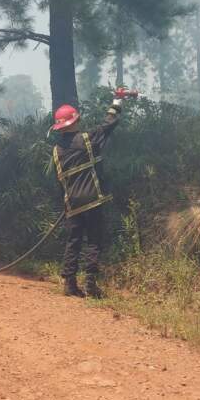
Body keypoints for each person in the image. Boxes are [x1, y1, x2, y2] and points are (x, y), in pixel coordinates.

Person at [50, 88, 137, 299]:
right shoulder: (87, 139)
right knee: (94, 241)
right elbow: (110, 123)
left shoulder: (56, 150)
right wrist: (117, 100)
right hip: (92, 200)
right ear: (76, 121)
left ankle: (69, 283)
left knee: (74, 241)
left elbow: (59, 181)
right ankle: (90, 284)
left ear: (60, 127)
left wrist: (66, 204)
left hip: (71, 204)